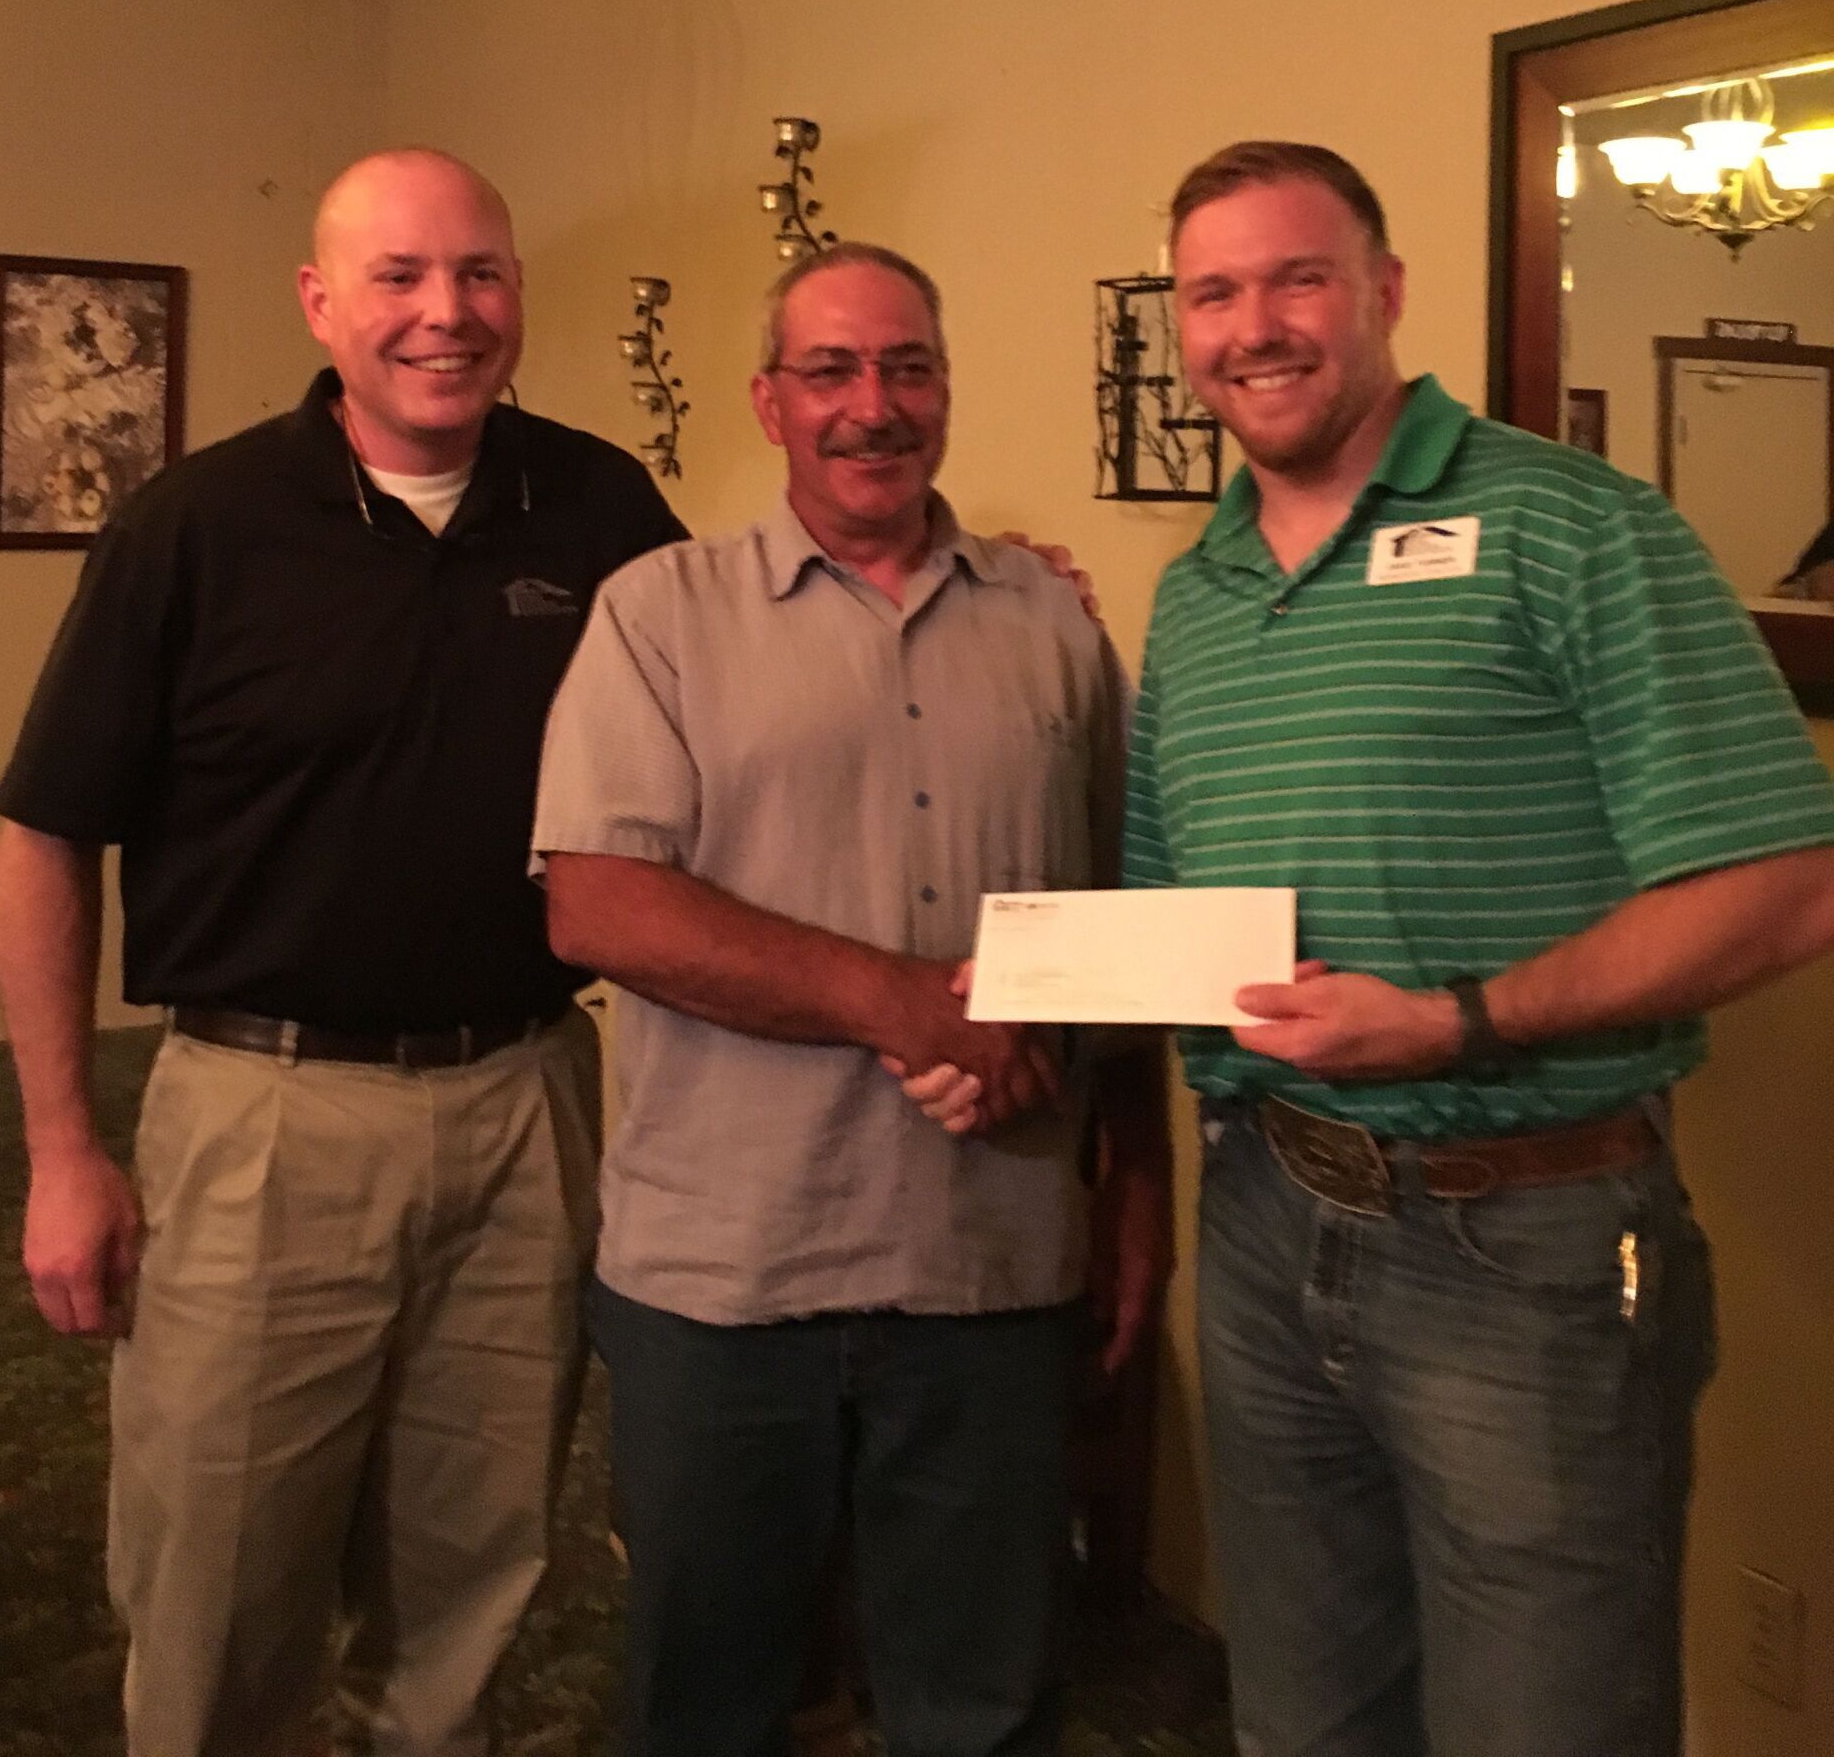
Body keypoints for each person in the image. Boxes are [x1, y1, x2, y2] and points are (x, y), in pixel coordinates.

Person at [1124, 138, 1834, 1757]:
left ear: (1381, 290)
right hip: (1265, 1214)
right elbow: (1169, 917)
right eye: (1213, 293)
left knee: (1549, 1726)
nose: (1255, 326)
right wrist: (1001, 1010)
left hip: (1528, 1248)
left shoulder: (1572, 527)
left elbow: (1790, 886)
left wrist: (1458, 1021)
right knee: (1306, 1717)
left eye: (1296, 277)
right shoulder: (1200, 591)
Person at [0, 148, 685, 1757]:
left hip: (528, 1105)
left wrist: (966, 566)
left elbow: (749, 707)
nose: (448, 314)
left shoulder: (603, 512)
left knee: (473, 1574)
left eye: (482, 274)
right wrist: (56, 1149)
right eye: (400, 277)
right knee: (220, 1589)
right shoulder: (197, 525)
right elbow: (43, 838)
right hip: (261, 1120)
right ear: (321, 303)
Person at [536, 240, 1171, 1757]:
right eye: (830, 370)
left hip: (989, 1269)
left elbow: (1114, 918)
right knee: (709, 1702)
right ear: (769, 401)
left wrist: (1135, 1174)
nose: (871, 406)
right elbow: (598, 900)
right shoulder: (658, 614)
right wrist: (907, 1003)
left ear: (945, 389)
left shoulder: (1056, 626)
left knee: (985, 1702)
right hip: (724, 1280)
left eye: (906, 368)